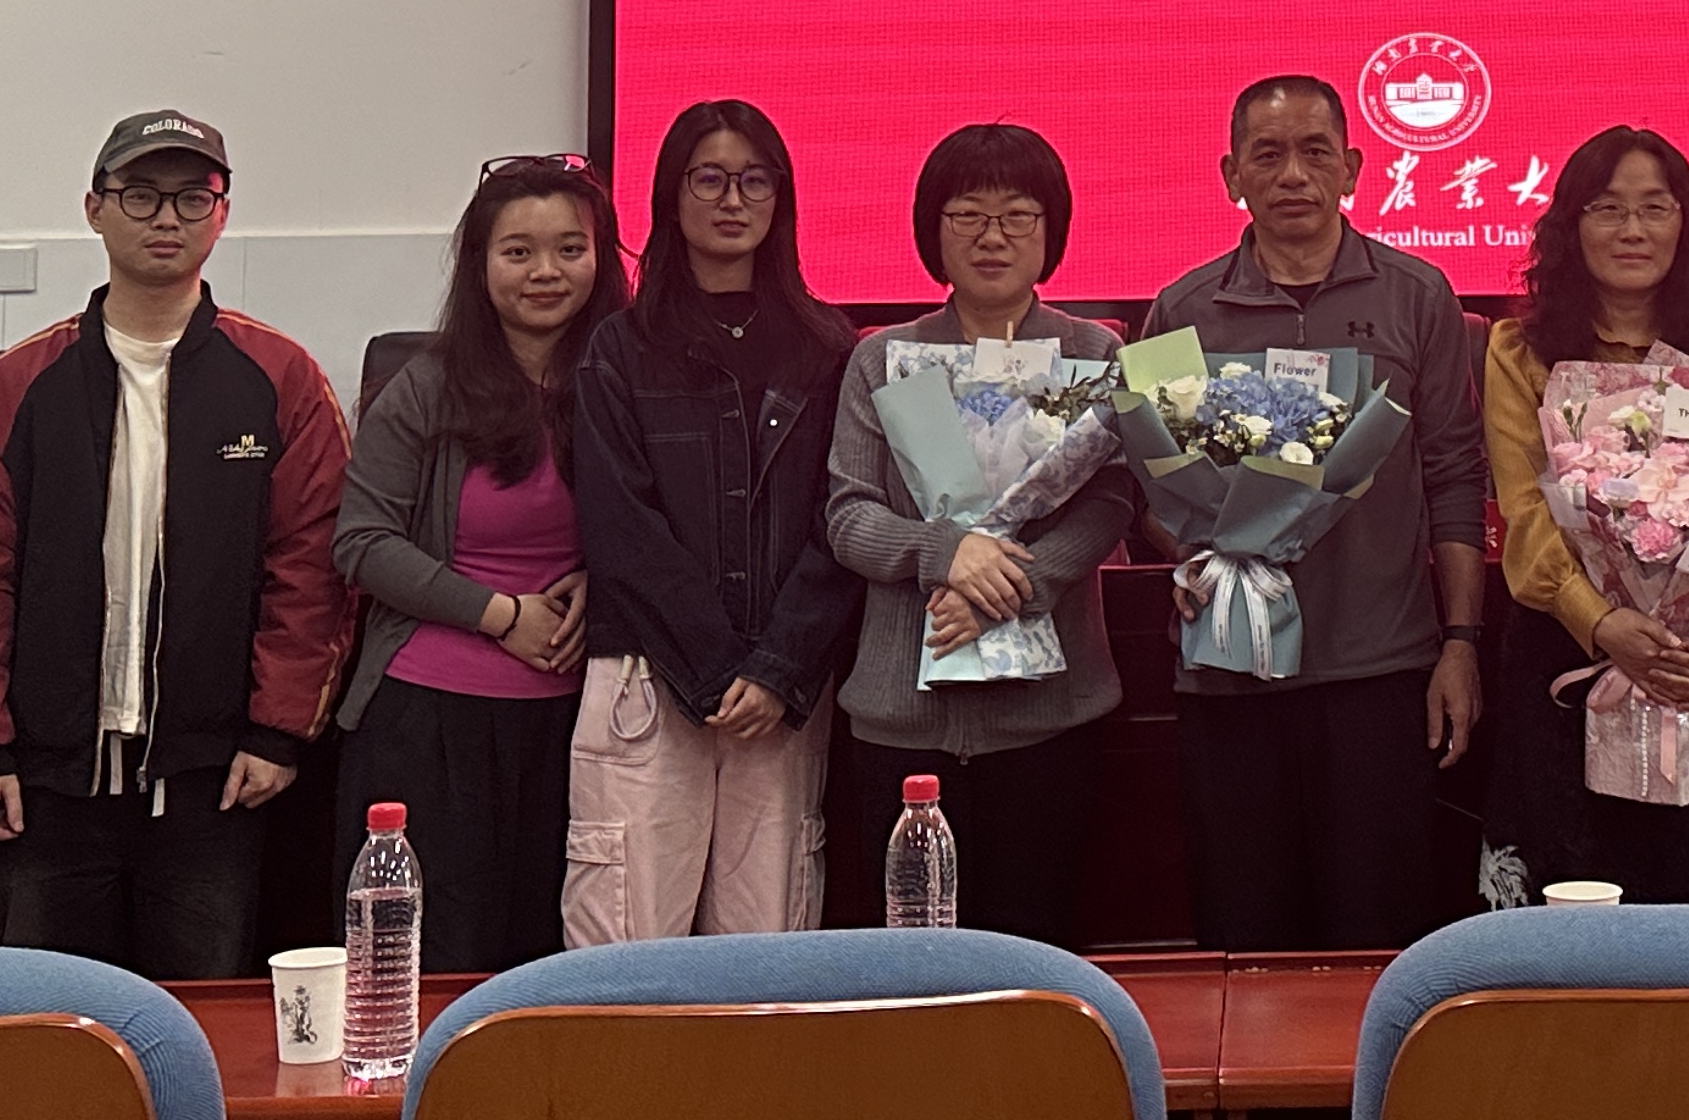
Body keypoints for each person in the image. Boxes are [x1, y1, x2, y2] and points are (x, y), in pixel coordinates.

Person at [0, 111, 351, 975]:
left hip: (216, 780)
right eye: (141, 195)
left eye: (193, 198)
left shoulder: (282, 380)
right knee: (50, 1024)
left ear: (222, 214)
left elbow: (310, 570)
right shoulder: (14, 385)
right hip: (43, 781)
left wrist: (277, 731)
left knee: (198, 1022)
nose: (166, 218)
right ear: (94, 208)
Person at [1142, 74, 1489, 952]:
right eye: (1268, 155)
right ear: (1231, 176)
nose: (1292, 174)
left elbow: (1455, 477)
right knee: (1245, 937)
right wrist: (1190, 553)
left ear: (1353, 169)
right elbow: (1150, 485)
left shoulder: (1418, 296)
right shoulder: (1181, 312)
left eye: (1315, 152)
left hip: (1380, 667)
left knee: (1379, 934)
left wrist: (1460, 643)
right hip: (1229, 671)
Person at [821, 123, 1139, 945]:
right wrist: (946, 552)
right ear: (932, 229)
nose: (992, 236)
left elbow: (1111, 501)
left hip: (1051, 718)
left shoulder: (1095, 351)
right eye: (967, 214)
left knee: (1039, 955)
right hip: (901, 719)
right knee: (913, 968)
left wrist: (1010, 583)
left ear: (1051, 231)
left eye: (1017, 215)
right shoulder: (883, 358)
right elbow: (848, 515)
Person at [1478, 126, 1689, 908]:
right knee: (1571, 913)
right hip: (1571, 657)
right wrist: (1602, 624)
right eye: (1608, 209)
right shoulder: (1520, 350)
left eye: (1655, 208)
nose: (1633, 229)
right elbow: (1525, 510)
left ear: (1685, 223)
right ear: (1570, 227)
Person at [566, 100, 861, 941]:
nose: (733, 200)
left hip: (781, 697)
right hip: (648, 681)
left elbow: (840, 521)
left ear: (780, 199)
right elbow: (621, 527)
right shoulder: (621, 347)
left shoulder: (828, 348)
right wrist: (714, 671)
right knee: (626, 949)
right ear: (672, 194)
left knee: (769, 951)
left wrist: (774, 672)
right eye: (710, 179)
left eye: (754, 180)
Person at [330, 156, 620, 972]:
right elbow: (361, 542)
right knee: (431, 967)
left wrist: (605, 579)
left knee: (553, 968)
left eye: (570, 249)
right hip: (431, 722)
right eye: (518, 252)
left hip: (580, 722)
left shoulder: (628, 384)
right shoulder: (424, 386)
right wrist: (502, 616)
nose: (545, 272)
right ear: (480, 264)